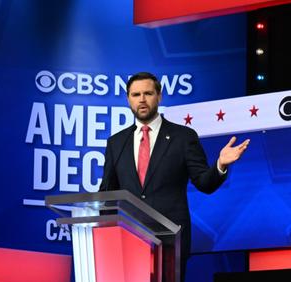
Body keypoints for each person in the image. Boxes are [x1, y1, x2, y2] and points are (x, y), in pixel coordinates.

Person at [100, 71, 249, 264]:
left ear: (159, 96)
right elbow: (107, 194)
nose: (142, 100)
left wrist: (220, 164)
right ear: (128, 99)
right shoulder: (116, 143)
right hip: (129, 240)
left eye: (148, 93)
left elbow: (205, 183)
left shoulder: (183, 137)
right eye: (136, 95)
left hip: (169, 240)